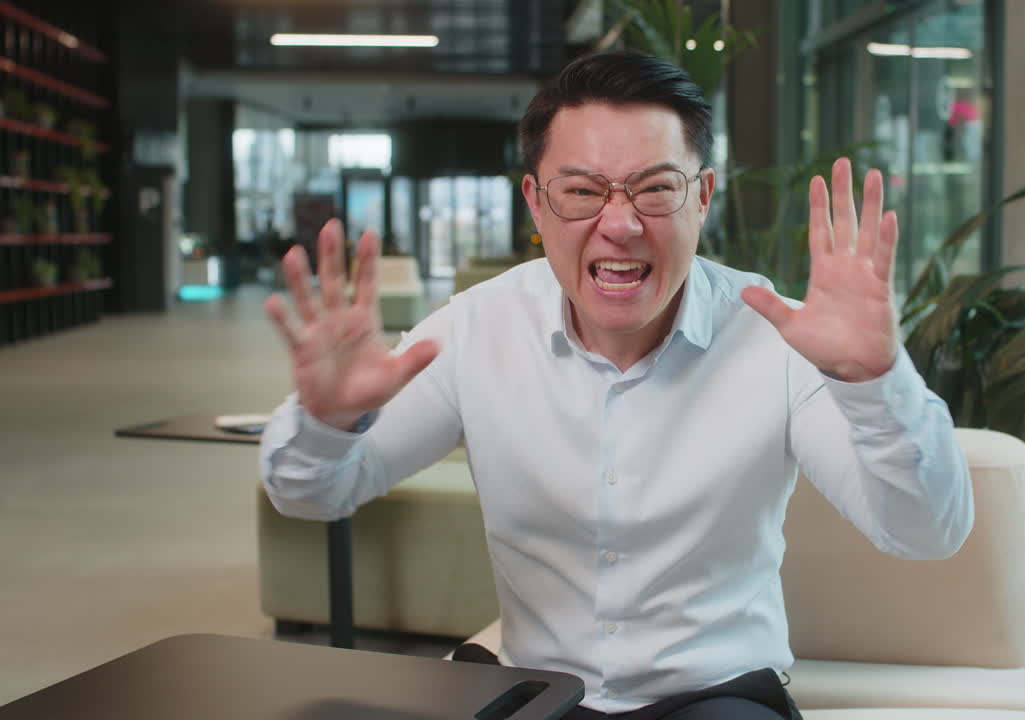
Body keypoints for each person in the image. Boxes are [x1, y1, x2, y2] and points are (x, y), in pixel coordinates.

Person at [261, 50, 973, 720]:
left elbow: (925, 531)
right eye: (582, 192)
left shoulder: (777, 337)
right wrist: (326, 422)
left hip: (715, 691)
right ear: (537, 206)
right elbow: (311, 494)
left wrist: (877, 383)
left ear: (704, 198)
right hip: (537, 682)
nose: (621, 224)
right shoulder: (477, 329)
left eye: (657, 189)